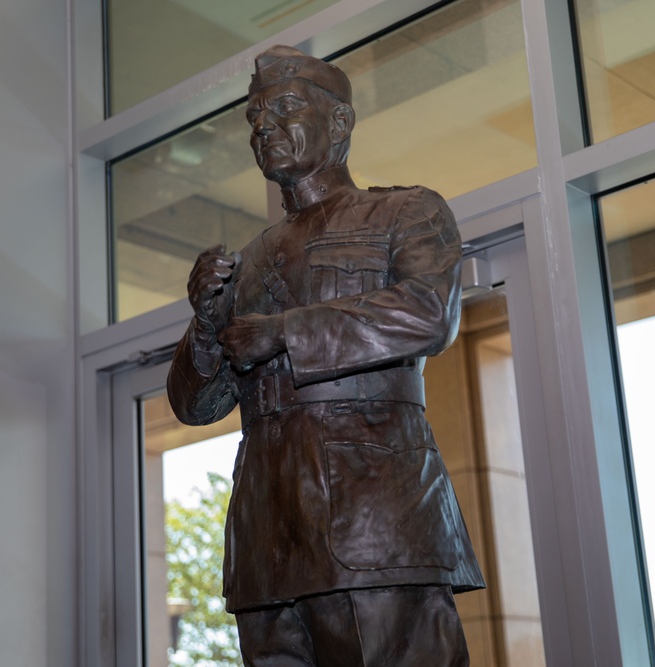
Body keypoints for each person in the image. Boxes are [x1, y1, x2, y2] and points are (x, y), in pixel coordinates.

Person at [167, 45, 484, 666]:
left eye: (285, 108)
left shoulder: (405, 212)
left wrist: (286, 331)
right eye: (255, 119)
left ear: (340, 123)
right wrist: (206, 325)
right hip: (267, 534)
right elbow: (196, 405)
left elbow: (427, 312)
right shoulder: (248, 259)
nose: (265, 128)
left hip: (375, 521)